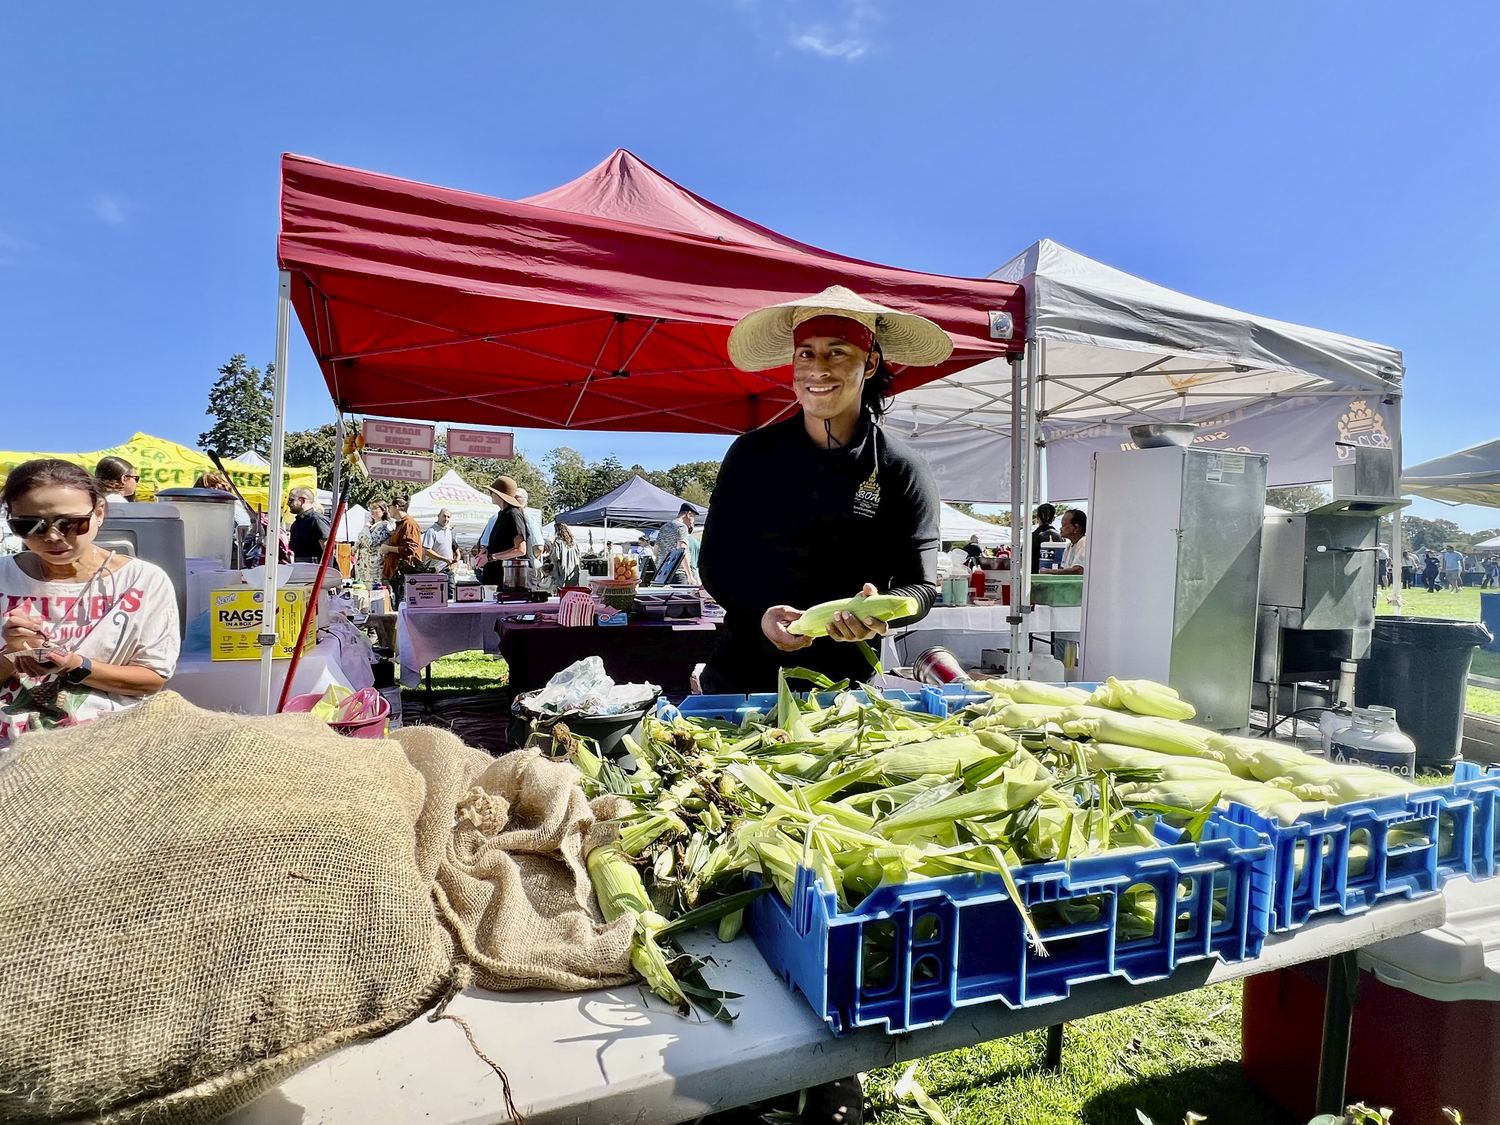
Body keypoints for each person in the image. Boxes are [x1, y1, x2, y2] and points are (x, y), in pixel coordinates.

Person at [700, 285, 944, 700]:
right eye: (806, 353)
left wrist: (878, 609)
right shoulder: (752, 456)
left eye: (837, 352)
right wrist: (761, 614)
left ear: (869, 364)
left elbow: (921, 587)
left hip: (845, 692)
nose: (819, 369)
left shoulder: (900, 467)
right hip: (740, 682)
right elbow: (716, 562)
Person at [1, 459, 180, 748]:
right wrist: (9, 655)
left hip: (109, 745)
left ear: (98, 513)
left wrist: (75, 665)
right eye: (29, 525)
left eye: (70, 523)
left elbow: (151, 679)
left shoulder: (143, 580)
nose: (53, 537)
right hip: (11, 746)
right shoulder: (3, 576)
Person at [479, 476, 529, 587]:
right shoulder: (502, 514)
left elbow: (521, 550)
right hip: (497, 578)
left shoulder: (513, 514)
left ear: (499, 495)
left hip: (509, 581)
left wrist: (491, 557)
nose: (490, 494)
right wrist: (487, 551)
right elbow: (502, 543)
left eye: (491, 491)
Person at [379, 496, 426, 604]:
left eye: (389, 506)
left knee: (402, 604)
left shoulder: (409, 524)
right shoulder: (402, 524)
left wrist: (389, 549)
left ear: (396, 507)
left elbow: (411, 549)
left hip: (404, 572)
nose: (388, 509)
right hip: (396, 572)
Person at [354, 499, 396, 590]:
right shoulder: (371, 526)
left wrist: (365, 528)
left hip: (375, 571)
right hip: (364, 570)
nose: (372, 511)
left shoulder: (385, 525)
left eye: (375, 508)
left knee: (377, 595)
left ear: (383, 510)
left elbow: (371, 543)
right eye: (370, 509)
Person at [654, 503, 698, 584]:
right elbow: (682, 551)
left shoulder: (663, 527)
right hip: (678, 573)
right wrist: (690, 575)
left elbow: (655, 550)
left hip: (662, 574)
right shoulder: (682, 527)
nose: (693, 521)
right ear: (688, 514)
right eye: (694, 517)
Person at [286, 487, 331, 563]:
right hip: (300, 567)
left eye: (291, 500)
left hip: (314, 568)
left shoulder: (317, 520)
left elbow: (328, 548)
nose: (288, 503)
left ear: (302, 500)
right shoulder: (296, 523)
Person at [1045, 509, 1088, 574]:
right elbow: (1063, 568)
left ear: (1076, 528)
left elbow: (1079, 570)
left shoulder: (1084, 543)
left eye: (1063, 525)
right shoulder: (1069, 546)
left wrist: (1050, 571)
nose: (1060, 528)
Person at [548, 522, 582, 590]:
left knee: (562, 593)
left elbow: (555, 557)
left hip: (562, 571)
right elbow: (579, 556)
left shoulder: (558, 542)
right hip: (573, 572)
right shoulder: (574, 542)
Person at [421, 508, 457, 573]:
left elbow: (449, 548)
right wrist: (444, 559)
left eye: (448, 517)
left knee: (451, 583)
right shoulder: (431, 531)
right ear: (438, 516)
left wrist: (451, 562)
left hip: (447, 568)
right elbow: (427, 551)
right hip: (435, 570)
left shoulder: (448, 531)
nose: (446, 519)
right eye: (444, 516)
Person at [1030, 503, 1059, 574]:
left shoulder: (1031, 537)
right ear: (1054, 518)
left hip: (1034, 577)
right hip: (1056, 577)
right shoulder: (1060, 537)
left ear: (1037, 518)